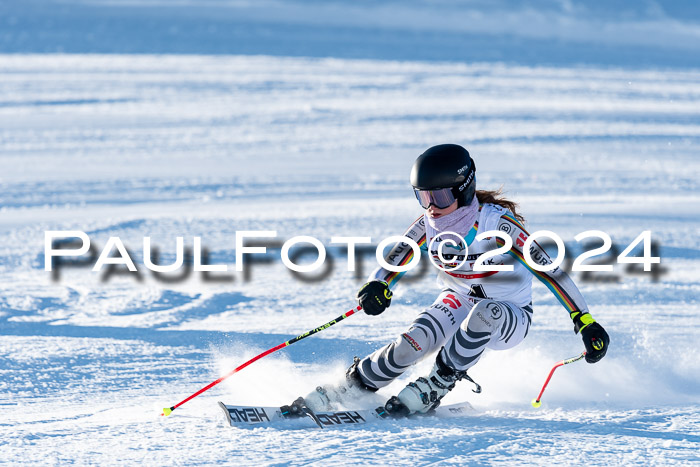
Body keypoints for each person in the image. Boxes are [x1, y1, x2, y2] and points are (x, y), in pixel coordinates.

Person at [288, 143, 610, 417]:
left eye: (440, 198)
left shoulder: (497, 226)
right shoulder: (427, 224)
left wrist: (584, 320)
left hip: (509, 314)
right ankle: (356, 384)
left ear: (464, 188)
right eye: (423, 197)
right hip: (457, 298)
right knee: (413, 342)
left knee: (485, 313)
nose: (432, 208)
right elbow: (396, 258)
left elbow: (550, 271)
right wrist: (377, 285)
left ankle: (439, 382)